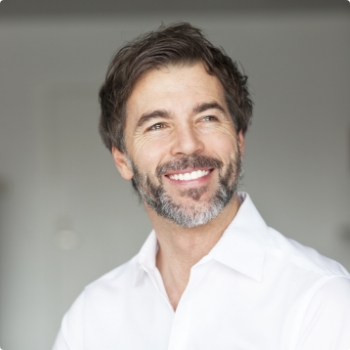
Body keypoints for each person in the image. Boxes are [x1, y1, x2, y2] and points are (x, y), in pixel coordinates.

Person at [52, 23, 350, 349]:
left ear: (238, 139)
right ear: (122, 160)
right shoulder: (90, 317)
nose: (189, 145)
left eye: (207, 118)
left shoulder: (322, 300)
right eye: (157, 125)